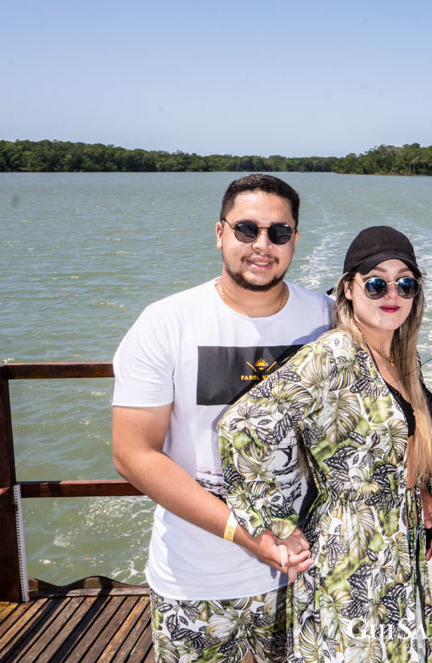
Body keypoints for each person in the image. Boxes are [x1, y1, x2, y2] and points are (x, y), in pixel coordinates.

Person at [111, 174, 332, 663]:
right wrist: (246, 534)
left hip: (304, 572)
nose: (261, 245)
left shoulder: (329, 318)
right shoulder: (166, 323)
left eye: (278, 233)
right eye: (246, 229)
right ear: (219, 233)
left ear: (295, 240)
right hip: (194, 581)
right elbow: (133, 453)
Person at [218, 226, 432, 663]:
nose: (392, 293)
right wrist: (277, 525)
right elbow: (242, 425)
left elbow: (397, 442)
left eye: (406, 283)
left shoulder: (402, 359)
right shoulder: (337, 353)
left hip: (397, 554)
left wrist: (422, 488)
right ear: (348, 287)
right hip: (350, 560)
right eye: (377, 282)